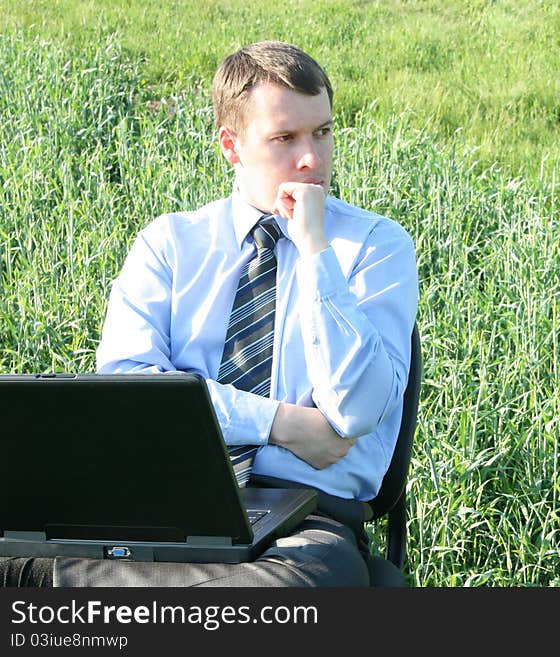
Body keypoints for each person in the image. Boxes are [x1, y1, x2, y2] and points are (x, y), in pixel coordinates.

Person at [0, 40, 418, 587]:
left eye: (323, 131)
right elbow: (131, 396)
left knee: (287, 595)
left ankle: (83, 594)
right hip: (158, 506)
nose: (312, 157)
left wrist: (315, 250)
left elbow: (358, 413)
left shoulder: (374, 246)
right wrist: (280, 424)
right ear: (232, 145)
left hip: (308, 521)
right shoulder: (170, 244)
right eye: (284, 139)